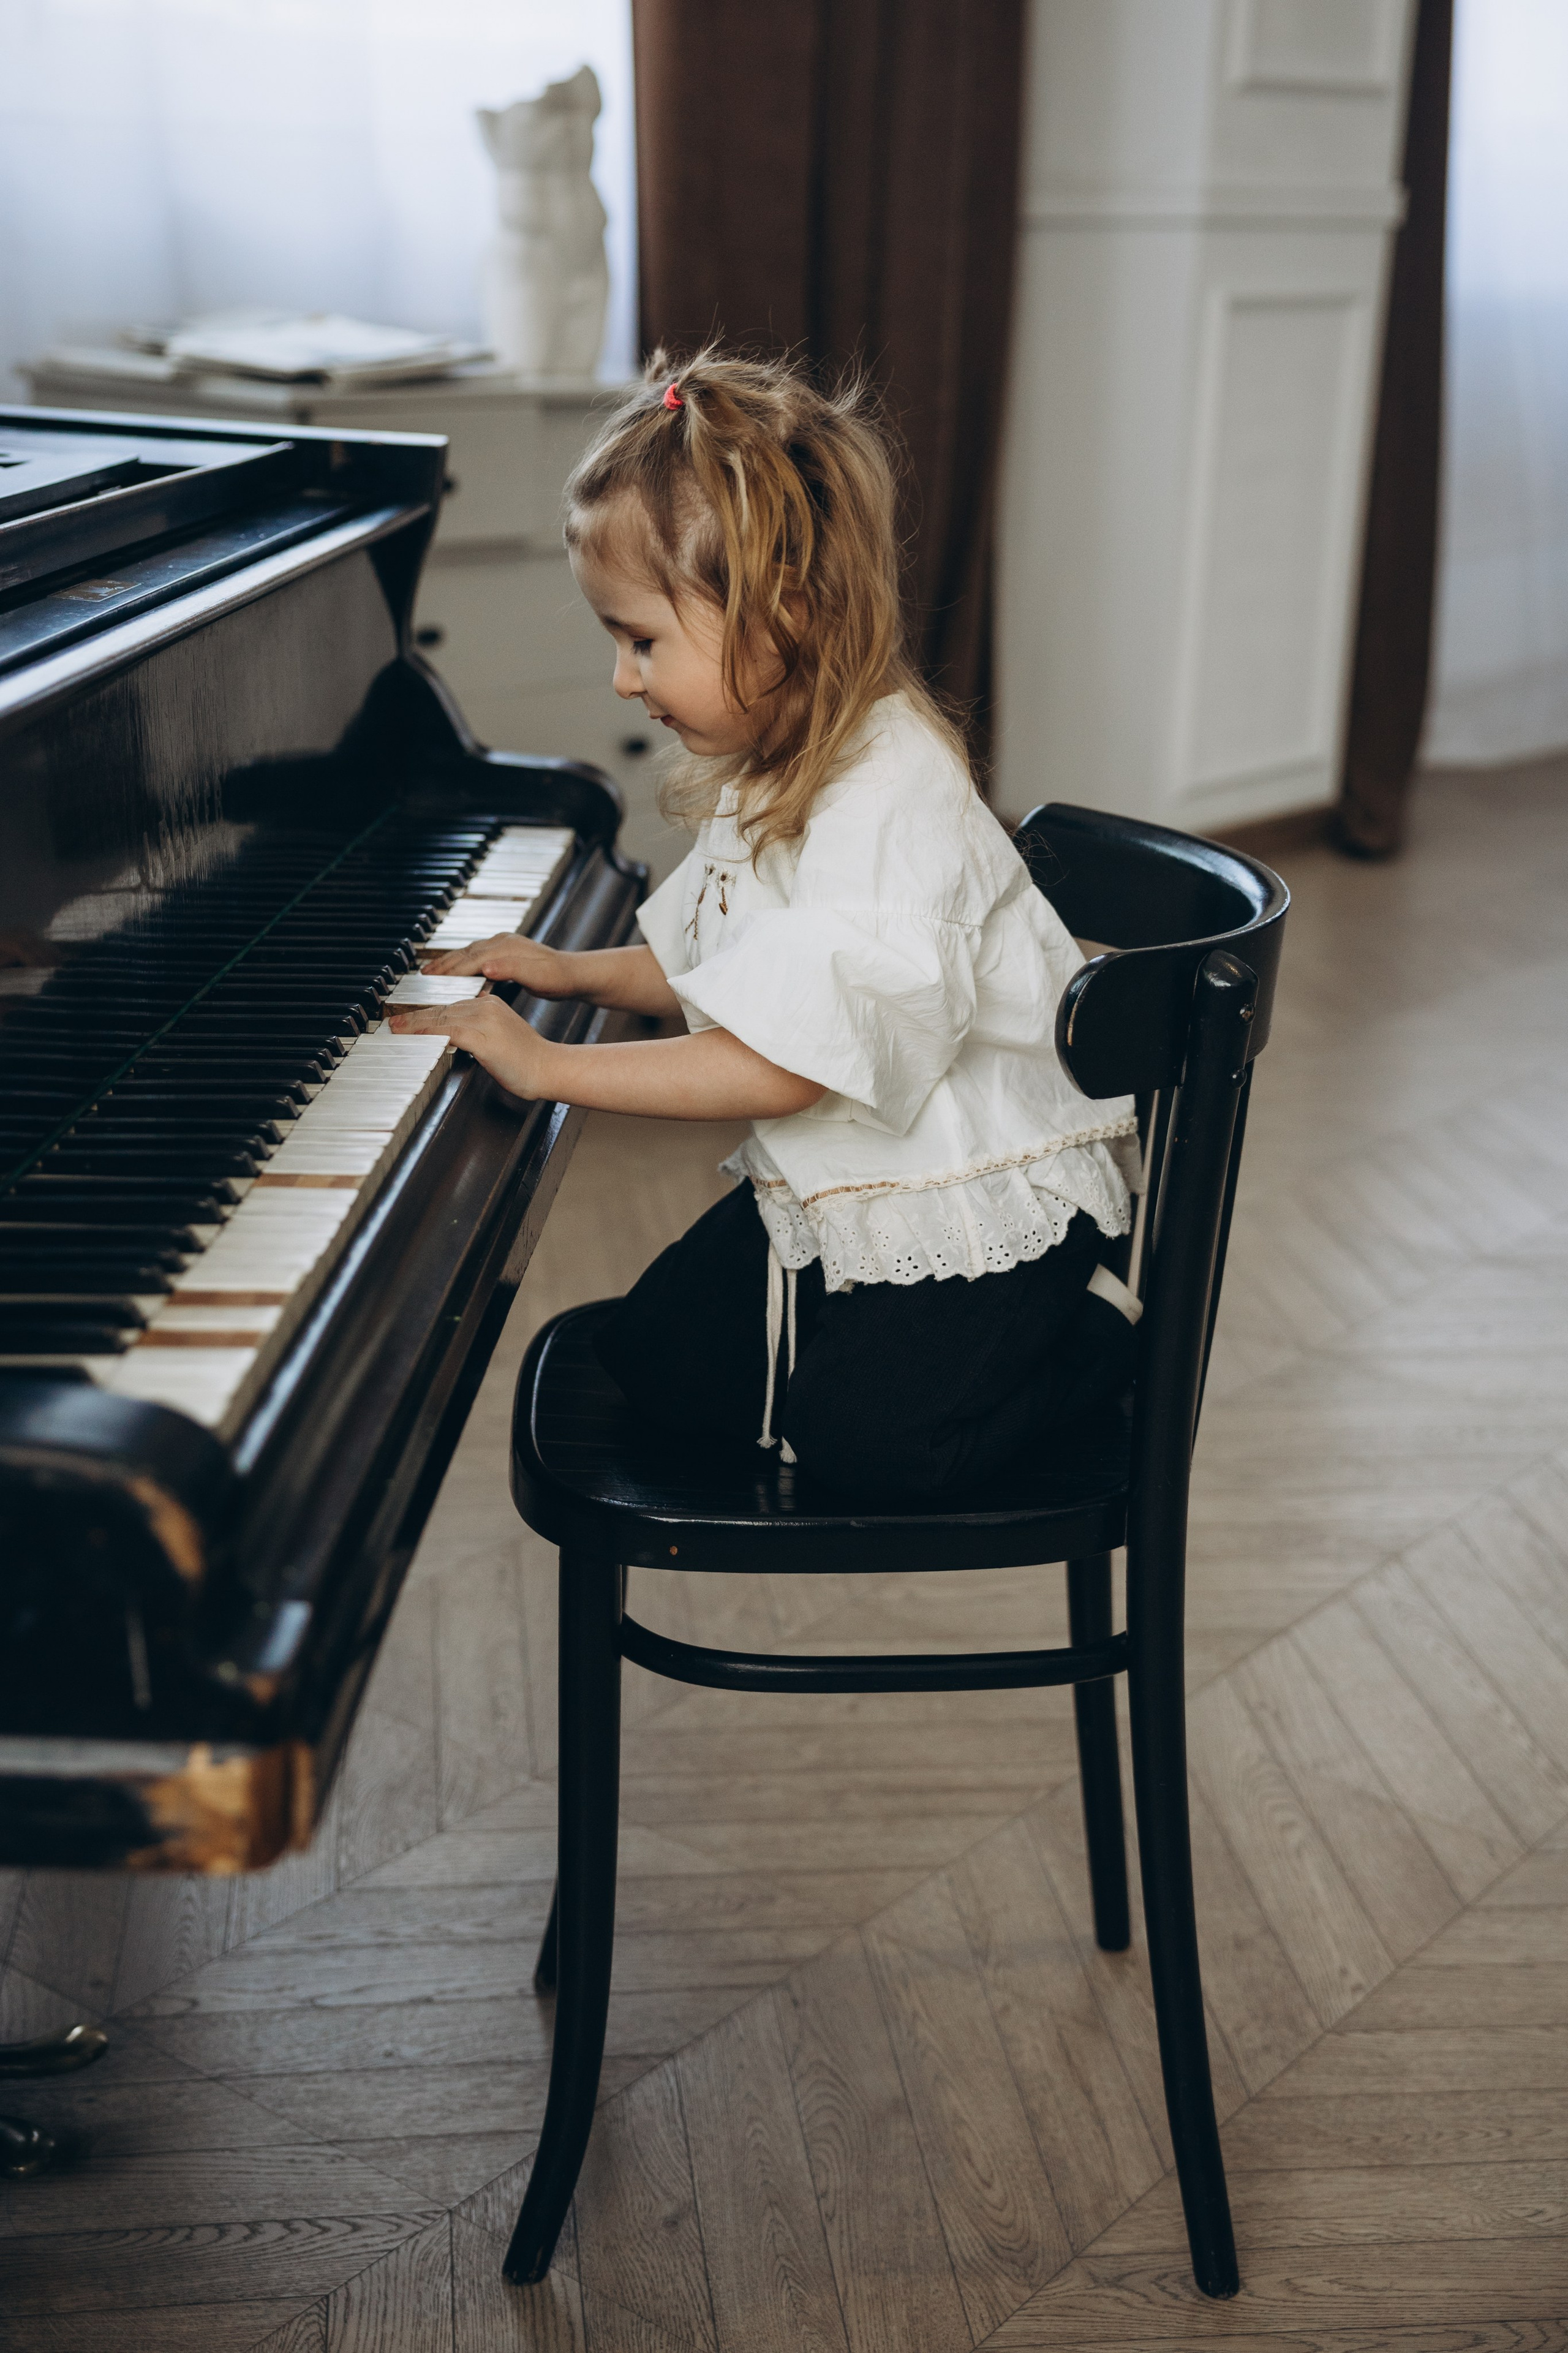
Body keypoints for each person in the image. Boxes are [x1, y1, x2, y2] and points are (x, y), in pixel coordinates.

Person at [391, 347, 1142, 1504]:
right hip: (857, 1161)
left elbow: (784, 1064)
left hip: (975, 1189)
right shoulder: (781, 760)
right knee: (658, 1362)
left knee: (869, 1448)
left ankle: (1090, 1337)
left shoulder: (893, 797)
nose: (623, 679)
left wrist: (548, 1067)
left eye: (642, 640)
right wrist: (568, 972)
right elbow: (734, 969)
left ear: (783, 610)